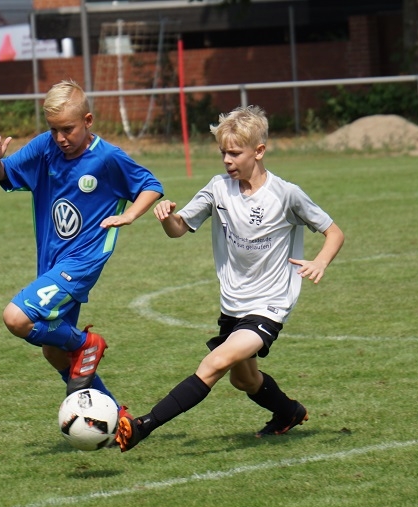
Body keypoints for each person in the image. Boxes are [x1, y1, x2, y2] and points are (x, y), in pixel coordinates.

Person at [115, 105, 345, 452]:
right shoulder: (218, 189)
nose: (227, 160)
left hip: (269, 305)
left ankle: (142, 426)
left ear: (259, 151)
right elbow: (179, 229)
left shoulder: (286, 194)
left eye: (235, 153)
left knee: (216, 363)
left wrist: (321, 261)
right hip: (234, 304)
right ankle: (289, 412)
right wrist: (166, 218)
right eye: (223, 152)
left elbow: (334, 232)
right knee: (244, 379)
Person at [0, 79, 163, 408]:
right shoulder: (45, 148)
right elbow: (3, 174)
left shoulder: (107, 158)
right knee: (53, 351)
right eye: (54, 130)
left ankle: (85, 343)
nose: (60, 138)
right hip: (52, 262)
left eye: (68, 129)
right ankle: (116, 418)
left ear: (88, 121)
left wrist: (130, 214)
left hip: (82, 261)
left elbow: (150, 185)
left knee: (16, 318)